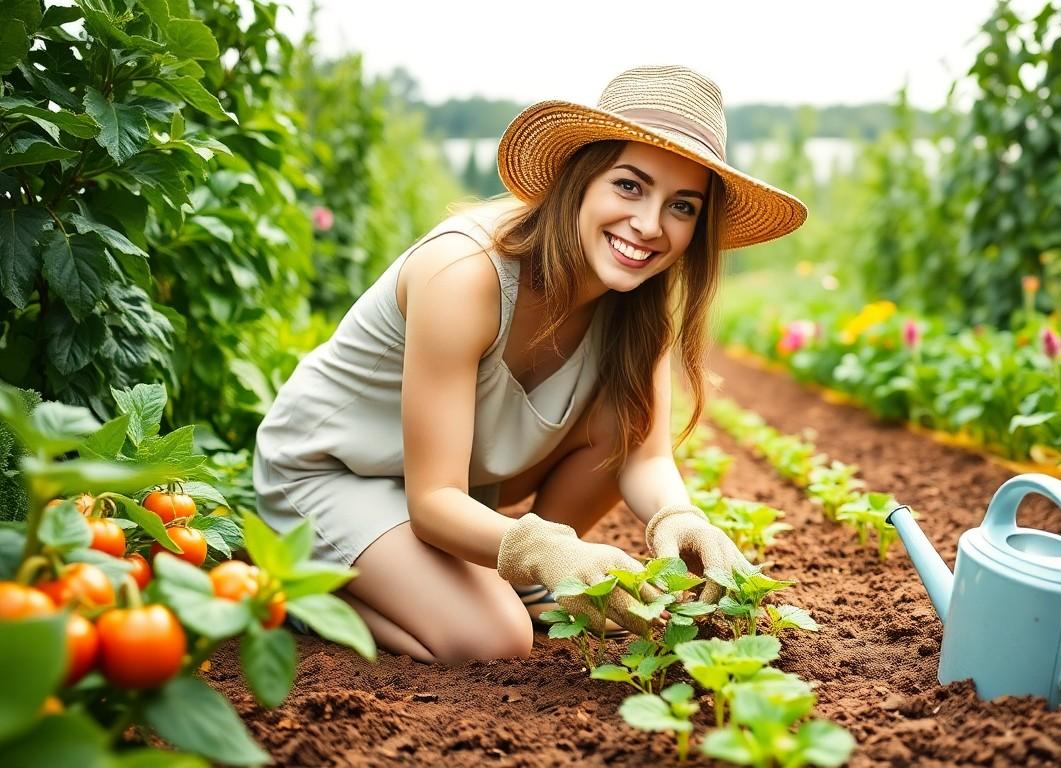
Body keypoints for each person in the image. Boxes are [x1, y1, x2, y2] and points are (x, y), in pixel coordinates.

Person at [252, 65, 807, 664]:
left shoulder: (636, 305)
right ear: (581, 178)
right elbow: (433, 499)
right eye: (629, 186)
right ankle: (299, 592)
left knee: (619, 419)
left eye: (682, 206)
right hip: (335, 474)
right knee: (495, 637)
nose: (650, 225)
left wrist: (683, 518)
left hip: (455, 488)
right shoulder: (464, 273)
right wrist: (548, 547)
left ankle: (514, 582)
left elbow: (643, 453)